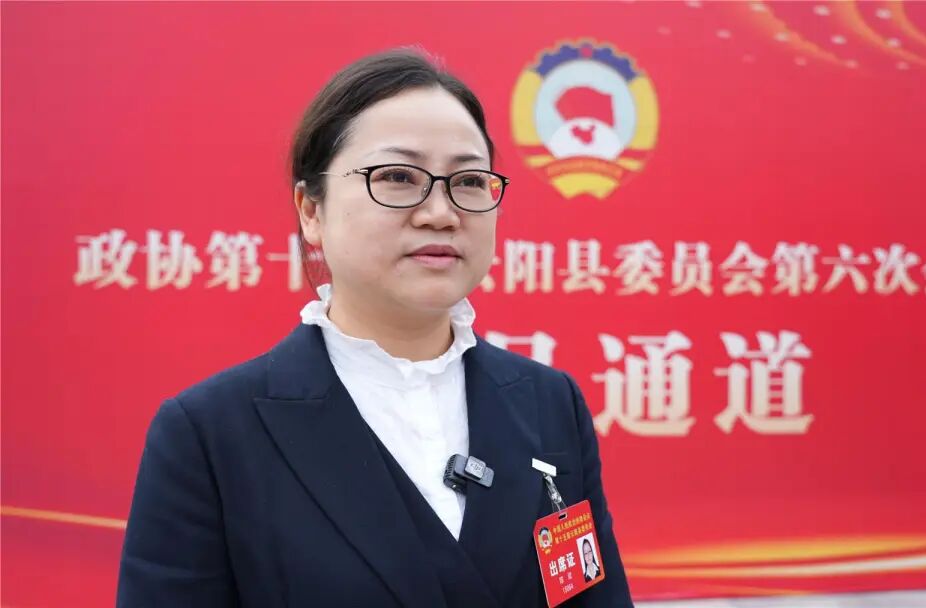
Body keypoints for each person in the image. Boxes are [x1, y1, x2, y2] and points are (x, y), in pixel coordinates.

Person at [116, 49, 632, 607]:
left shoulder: (550, 403)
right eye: (397, 177)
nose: (441, 213)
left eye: (469, 180)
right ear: (310, 211)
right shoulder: (209, 433)